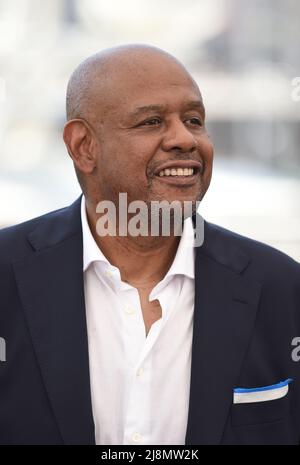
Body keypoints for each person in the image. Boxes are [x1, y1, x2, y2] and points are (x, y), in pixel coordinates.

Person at [0, 44, 299, 446]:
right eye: (151, 122)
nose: (183, 139)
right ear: (83, 146)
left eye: (194, 120)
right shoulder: (7, 275)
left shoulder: (283, 288)